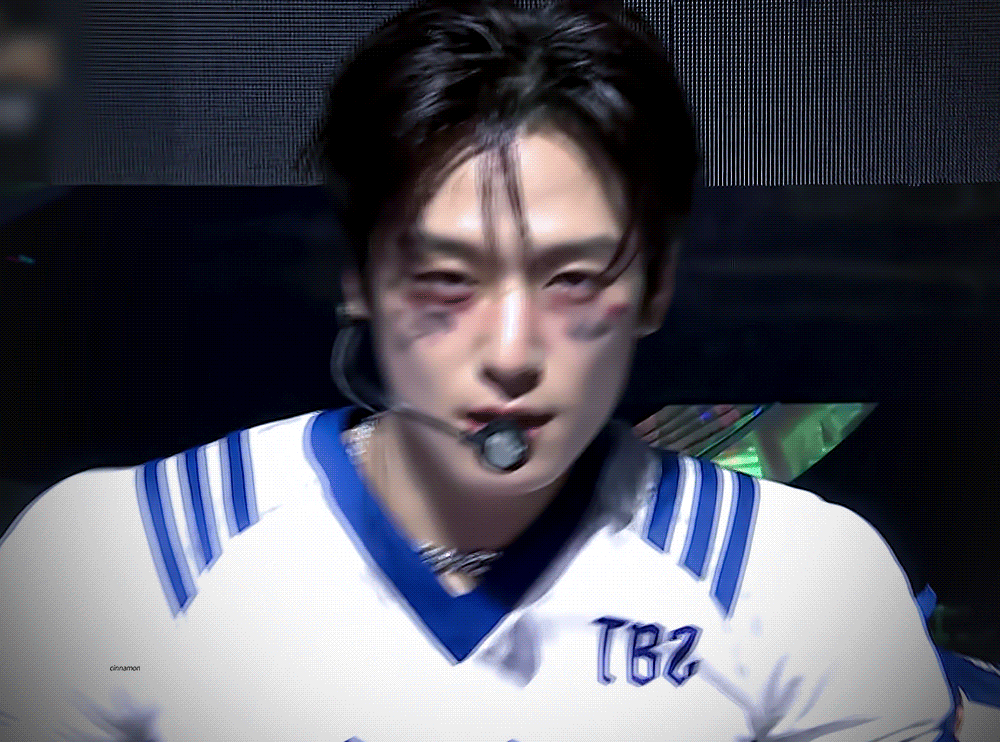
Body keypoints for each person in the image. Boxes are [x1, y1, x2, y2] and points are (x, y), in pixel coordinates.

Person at [1, 1, 958, 740]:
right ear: (358, 278)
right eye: (446, 278)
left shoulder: (800, 585)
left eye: (574, 279)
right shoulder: (117, 563)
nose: (510, 352)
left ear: (656, 287)